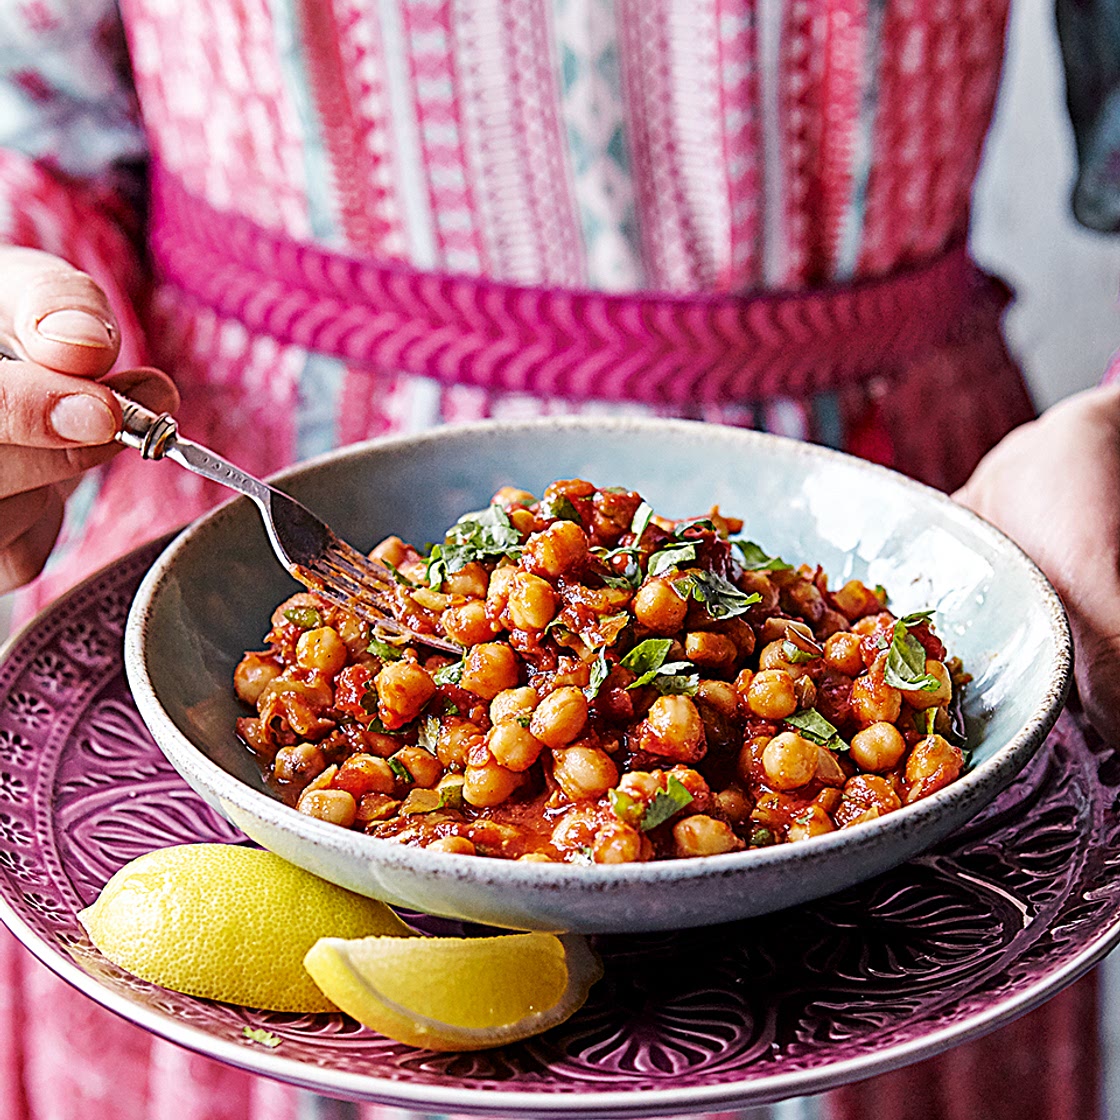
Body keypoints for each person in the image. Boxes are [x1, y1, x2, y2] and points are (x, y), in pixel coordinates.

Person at [0, 1, 1113, 1118]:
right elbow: (36, 122)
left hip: (936, 495)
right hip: (240, 506)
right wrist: (29, 340)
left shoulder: (790, 696)